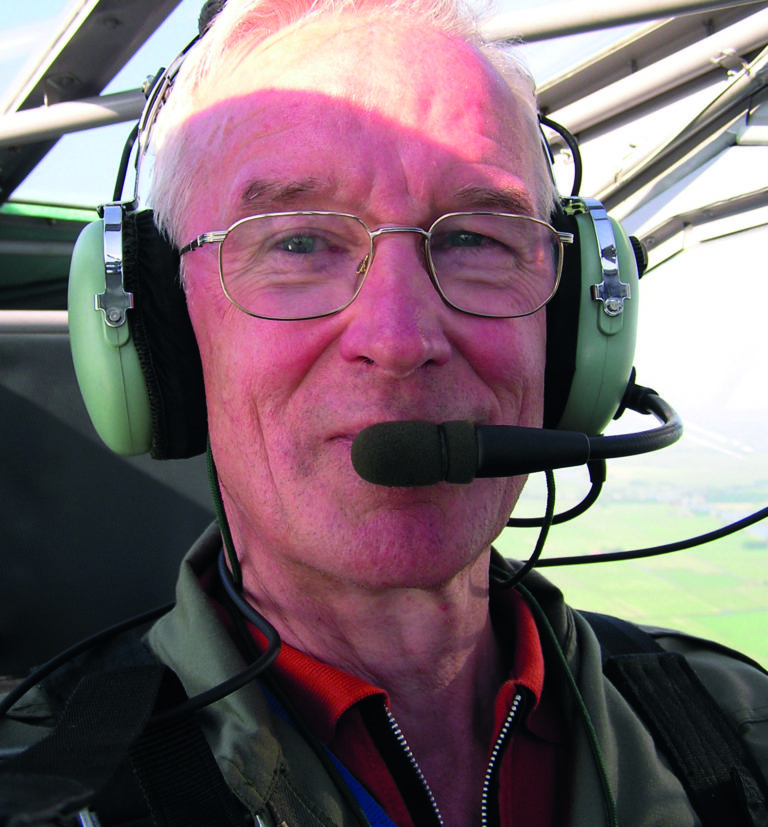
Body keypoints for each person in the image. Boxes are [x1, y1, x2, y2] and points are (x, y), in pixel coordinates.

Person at [2, 0, 767, 825]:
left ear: (574, 322)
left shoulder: (737, 732)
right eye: (298, 242)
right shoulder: (39, 786)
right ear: (162, 336)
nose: (400, 340)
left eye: (476, 239)